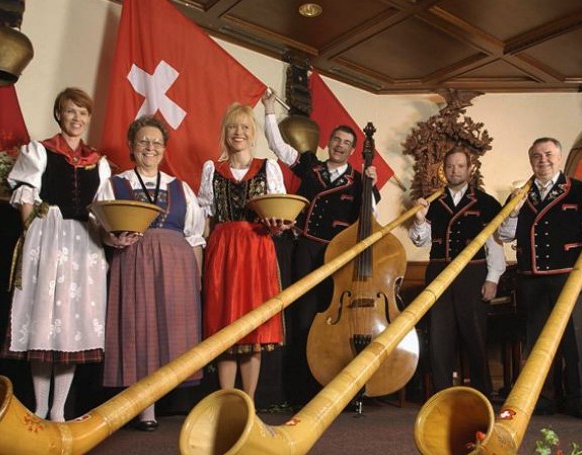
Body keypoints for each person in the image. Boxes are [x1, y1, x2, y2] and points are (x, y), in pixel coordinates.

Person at [260, 88, 379, 404]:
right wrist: (270, 110)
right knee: (304, 318)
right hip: (306, 250)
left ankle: (334, 389)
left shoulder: (359, 180)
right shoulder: (310, 166)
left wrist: (372, 184)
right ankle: (300, 391)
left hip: (338, 257)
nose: (341, 146)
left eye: (347, 144)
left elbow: (373, 219)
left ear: (354, 150)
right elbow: (278, 146)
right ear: (329, 144)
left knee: (333, 322)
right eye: (337, 141)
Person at [3, 87, 110, 421]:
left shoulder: (99, 162)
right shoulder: (40, 151)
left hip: (85, 243)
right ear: (59, 114)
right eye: (70, 111)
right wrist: (33, 234)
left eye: (82, 112)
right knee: (45, 321)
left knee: (73, 324)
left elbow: (104, 207)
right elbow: (25, 197)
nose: (76, 118)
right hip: (50, 238)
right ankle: (38, 406)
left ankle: (59, 410)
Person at [94, 116, 205, 431]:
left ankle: (157, 400)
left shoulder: (179, 187)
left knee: (167, 331)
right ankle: (144, 409)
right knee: (137, 328)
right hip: (132, 259)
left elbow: (194, 236)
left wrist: (196, 281)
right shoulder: (115, 183)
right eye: (144, 141)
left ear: (164, 148)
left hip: (176, 265)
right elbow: (100, 227)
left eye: (157, 142)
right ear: (132, 145)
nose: (150, 147)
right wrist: (111, 239)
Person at [497, 137, 582, 420]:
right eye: (536, 156)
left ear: (560, 157)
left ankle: (580, 400)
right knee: (535, 341)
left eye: (548, 155)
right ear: (530, 160)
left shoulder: (581, 192)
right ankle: (541, 398)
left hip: (570, 277)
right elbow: (504, 235)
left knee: (576, 340)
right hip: (530, 277)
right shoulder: (519, 195)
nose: (542, 160)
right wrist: (514, 212)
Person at [199, 103, 293, 400]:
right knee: (225, 326)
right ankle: (226, 401)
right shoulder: (212, 170)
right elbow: (204, 217)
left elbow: (279, 215)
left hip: (256, 248)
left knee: (253, 329)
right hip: (222, 249)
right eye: (232, 127)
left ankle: (248, 403)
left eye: (244, 128)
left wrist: (278, 225)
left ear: (253, 135)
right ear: (224, 134)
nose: (238, 133)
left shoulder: (268, 168)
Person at [410, 148, 506, 396]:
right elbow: (420, 241)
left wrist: (492, 278)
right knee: (440, 337)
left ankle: (481, 394)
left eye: (460, 166)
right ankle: (441, 393)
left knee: (475, 336)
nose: (455, 170)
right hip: (439, 273)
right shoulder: (432, 202)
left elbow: (495, 243)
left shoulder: (486, 203)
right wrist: (419, 220)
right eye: (451, 166)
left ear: (469, 169)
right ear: (444, 170)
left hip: (472, 275)